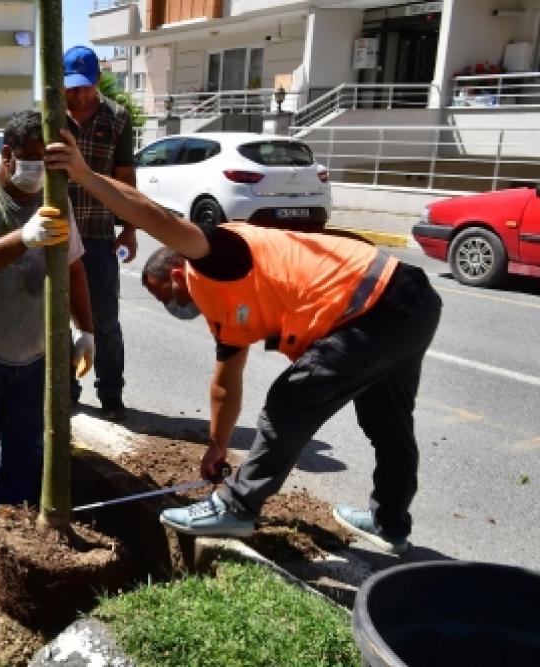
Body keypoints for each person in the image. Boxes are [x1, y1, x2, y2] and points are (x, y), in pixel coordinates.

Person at [45, 129, 443, 555]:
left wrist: (85, 176)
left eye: (167, 296)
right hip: (408, 301)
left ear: (178, 273)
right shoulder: (225, 310)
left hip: (376, 304)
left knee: (291, 399)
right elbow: (225, 383)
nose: (172, 306)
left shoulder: (215, 253)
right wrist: (217, 445)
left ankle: (237, 507)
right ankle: (389, 523)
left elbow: (157, 219)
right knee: (388, 423)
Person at [0, 111, 95, 563]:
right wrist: (24, 237)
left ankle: (12, 517)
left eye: (48, 162)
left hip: (35, 353)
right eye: (31, 159)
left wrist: (86, 330)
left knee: (27, 441)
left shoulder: (56, 201)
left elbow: (74, 268)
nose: (39, 170)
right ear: (7, 155)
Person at [63, 45, 140, 422]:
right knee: (58, 319)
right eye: (72, 87)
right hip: (57, 236)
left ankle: (111, 394)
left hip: (98, 235)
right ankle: (66, 391)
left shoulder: (117, 118)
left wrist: (130, 230)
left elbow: (125, 178)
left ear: (96, 82)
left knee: (104, 320)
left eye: (85, 87)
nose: (78, 95)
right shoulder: (51, 116)